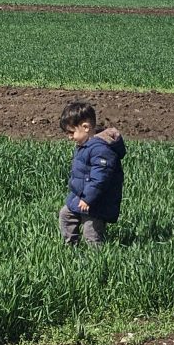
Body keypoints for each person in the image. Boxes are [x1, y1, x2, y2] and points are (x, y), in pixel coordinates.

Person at [59, 100, 125, 247]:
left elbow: (100, 179)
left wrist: (88, 198)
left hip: (97, 202)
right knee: (66, 215)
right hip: (80, 197)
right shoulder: (86, 145)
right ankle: (70, 246)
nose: (69, 137)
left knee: (91, 231)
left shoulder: (101, 149)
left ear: (86, 127)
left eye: (71, 132)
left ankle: (96, 256)